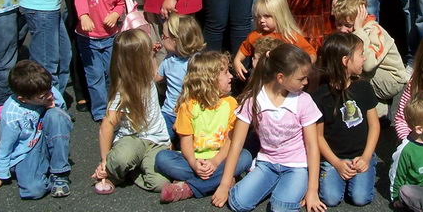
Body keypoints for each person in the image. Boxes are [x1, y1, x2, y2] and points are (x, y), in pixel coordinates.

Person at [211, 43, 324, 212]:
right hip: (267, 164)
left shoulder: (304, 100)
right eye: (301, 79)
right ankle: (279, 185)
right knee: (237, 203)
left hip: (296, 166)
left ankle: (291, 187)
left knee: (280, 208)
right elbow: (236, 144)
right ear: (280, 78)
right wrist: (225, 183)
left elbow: (312, 146)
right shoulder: (253, 100)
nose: (306, 82)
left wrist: (312, 190)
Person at [154, 51, 253, 202]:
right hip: (194, 160)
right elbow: (185, 141)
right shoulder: (188, 105)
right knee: (162, 158)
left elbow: (230, 140)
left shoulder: (231, 103)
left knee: (245, 157)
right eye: (226, 73)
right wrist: (194, 163)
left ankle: (188, 188)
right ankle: (222, 179)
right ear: (210, 80)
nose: (231, 76)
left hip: (221, 158)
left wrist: (215, 162)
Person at [0, 60, 73, 199]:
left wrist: (53, 107)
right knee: (34, 191)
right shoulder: (12, 114)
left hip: (45, 138)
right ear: (23, 99)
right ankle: (41, 173)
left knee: (56, 116)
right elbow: (5, 146)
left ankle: (59, 173)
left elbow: (62, 122)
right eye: (43, 97)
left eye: (49, 91)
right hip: (27, 151)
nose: (49, 96)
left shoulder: (47, 90)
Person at [92, 29, 170, 195]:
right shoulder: (123, 93)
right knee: (120, 158)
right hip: (133, 139)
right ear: (138, 61)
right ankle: (113, 174)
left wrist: (152, 55)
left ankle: (132, 171)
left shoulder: (147, 74)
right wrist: (105, 161)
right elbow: (107, 126)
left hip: (157, 140)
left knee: (160, 184)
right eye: (147, 52)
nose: (152, 53)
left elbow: (155, 74)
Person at [313, 32, 380, 207]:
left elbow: (374, 126)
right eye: (361, 54)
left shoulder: (364, 87)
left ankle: (362, 169)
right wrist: (336, 163)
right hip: (333, 158)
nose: (364, 58)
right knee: (330, 199)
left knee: (360, 198)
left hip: (361, 156)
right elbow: (318, 137)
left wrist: (366, 157)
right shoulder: (321, 96)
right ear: (345, 61)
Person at [333, 0, 408, 116]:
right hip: (375, 77)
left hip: (392, 80)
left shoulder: (373, 31)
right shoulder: (349, 32)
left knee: (354, 68)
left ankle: (377, 111)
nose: (342, 30)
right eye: (339, 24)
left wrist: (358, 31)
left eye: (347, 25)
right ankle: (378, 109)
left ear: (359, 19)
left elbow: (368, 64)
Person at [74, 0, 126, 122]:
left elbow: (120, 4)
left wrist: (115, 14)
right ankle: (100, 111)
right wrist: (84, 16)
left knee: (112, 73)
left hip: (110, 36)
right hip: (89, 39)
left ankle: (114, 106)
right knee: (94, 75)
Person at [233, 0, 316, 81]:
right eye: (259, 16)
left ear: (279, 15)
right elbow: (243, 50)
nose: (261, 20)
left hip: (285, 80)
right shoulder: (255, 35)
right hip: (260, 79)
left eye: (267, 16)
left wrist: (301, 70)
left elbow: (311, 54)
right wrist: (237, 62)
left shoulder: (291, 36)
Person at [156, 13, 206, 142]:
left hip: (191, 114)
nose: (162, 37)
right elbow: (156, 77)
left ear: (176, 40)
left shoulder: (196, 62)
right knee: (162, 140)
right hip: (169, 113)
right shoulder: (169, 59)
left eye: (164, 36)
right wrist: (152, 56)